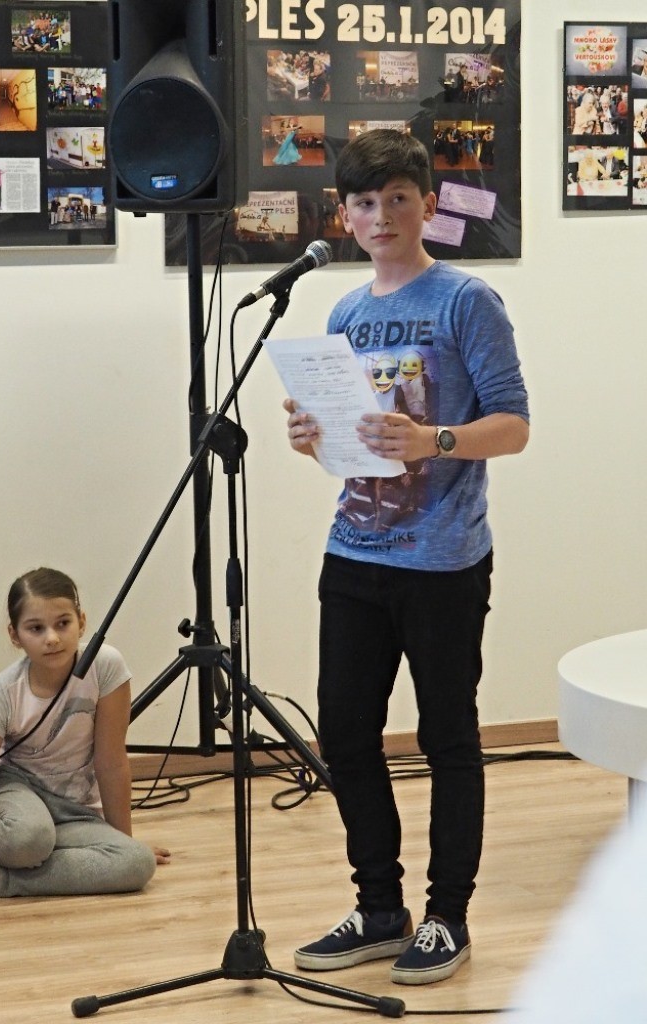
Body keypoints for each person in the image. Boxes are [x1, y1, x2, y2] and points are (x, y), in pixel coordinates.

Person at [285, 130, 529, 985]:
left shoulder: (467, 300)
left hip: (444, 558)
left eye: (396, 198)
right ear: (344, 215)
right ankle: (380, 908)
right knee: (346, 734)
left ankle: (447, 916)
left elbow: (515, 425)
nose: (381, 215)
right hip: (354, 550)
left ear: (427, 203)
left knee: (447, 736)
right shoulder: (344, 315)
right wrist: (312, 438)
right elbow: (351, 447)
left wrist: (436, 439)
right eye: (364, 202)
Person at [0, 568, 167, 911]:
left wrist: (120, 842)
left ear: (82, 622)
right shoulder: (2, 694)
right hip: (17, 793)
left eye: (62, 623)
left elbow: (111, 762)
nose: (51, 638)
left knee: (137, 863)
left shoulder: (106, 666)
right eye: (36, 628)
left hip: (72, 811)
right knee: (31, 838)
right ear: (15, 635)